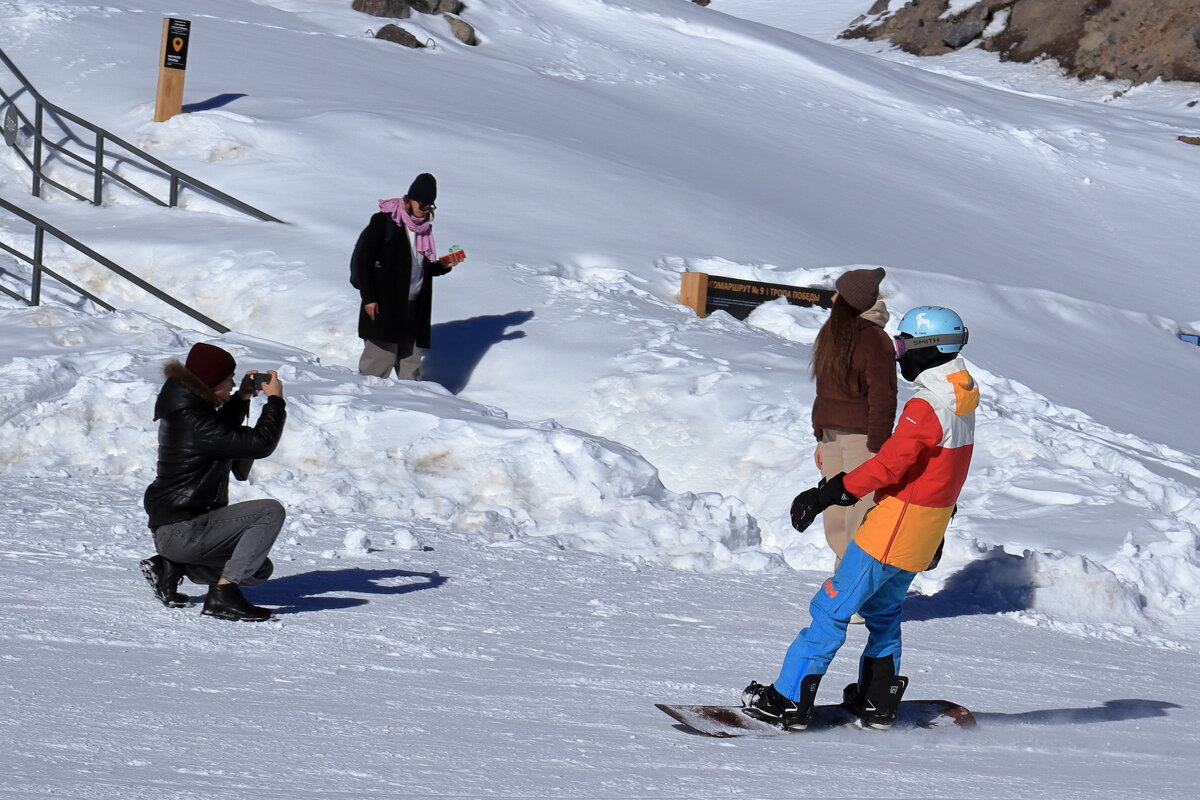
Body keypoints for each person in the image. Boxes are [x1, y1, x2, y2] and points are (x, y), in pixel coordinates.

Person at [742, 306, 975, 731]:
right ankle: (877, 700)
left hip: (894, 527)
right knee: (884, 611)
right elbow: (948, 471)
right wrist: (941, 523)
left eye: (903, 344)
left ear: (930, 348)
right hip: (922, 529)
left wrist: (828, 491)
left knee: (831, 606)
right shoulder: (961, 399)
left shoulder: (927, 406)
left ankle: (788, 700)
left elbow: (889, 465)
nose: (898, 354)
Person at [140, 341, 288, 622]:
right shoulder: (196, 420)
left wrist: (242, 398)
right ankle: (223, 596)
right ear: (210, 382)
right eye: (229, 378)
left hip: (180, 529)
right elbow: (259, 444)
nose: (233, 383)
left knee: (257, 568)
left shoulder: (189, 411)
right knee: (269, 511)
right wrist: (275, 402)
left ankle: (171, 568)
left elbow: (221, 433)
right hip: (183, 530)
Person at [811, 267, 897, 576]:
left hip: (864, 441)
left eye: (840, 294)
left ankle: (854, 591)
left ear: (852, 301)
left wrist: (878, 448)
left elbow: (884, 398)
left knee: (859, 515)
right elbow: (825, 392)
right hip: (833, 439)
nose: (832, 298)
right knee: (835, 516)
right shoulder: (834, 334)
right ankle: (845, 587)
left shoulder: (876, 340)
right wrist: (821, 437)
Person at [353, 172, 459, 380]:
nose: (425, 210)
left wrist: (445, 264)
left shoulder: (424, 230)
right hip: (384, 304)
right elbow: (363, 261)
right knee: (379, 362)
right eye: (422, 204)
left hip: (414, 307)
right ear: (409, 200)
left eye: (430, 206)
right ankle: (367, 405)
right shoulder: (385, 222)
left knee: (411, 366)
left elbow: (421, 268)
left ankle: (409, 409)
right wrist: (369, 298)